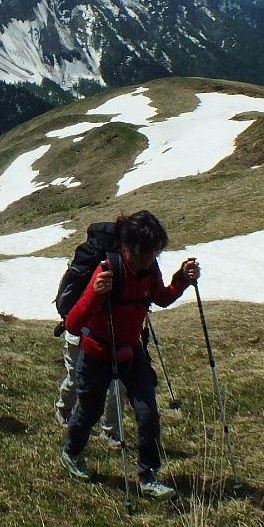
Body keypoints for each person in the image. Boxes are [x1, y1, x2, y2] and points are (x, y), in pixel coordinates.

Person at [60, 211, 199, 499]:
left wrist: (182, 280)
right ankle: (71, 453)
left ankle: (148, 476)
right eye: (146, 252)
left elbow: (160, 297)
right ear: (129, 247)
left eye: (156, 252)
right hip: (96, 351)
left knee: (147, 413)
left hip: (131, 350)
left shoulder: (149, 268)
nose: (151, 259)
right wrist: (96, 294)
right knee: (90, 410)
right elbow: (73, 322)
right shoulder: (107, 269)